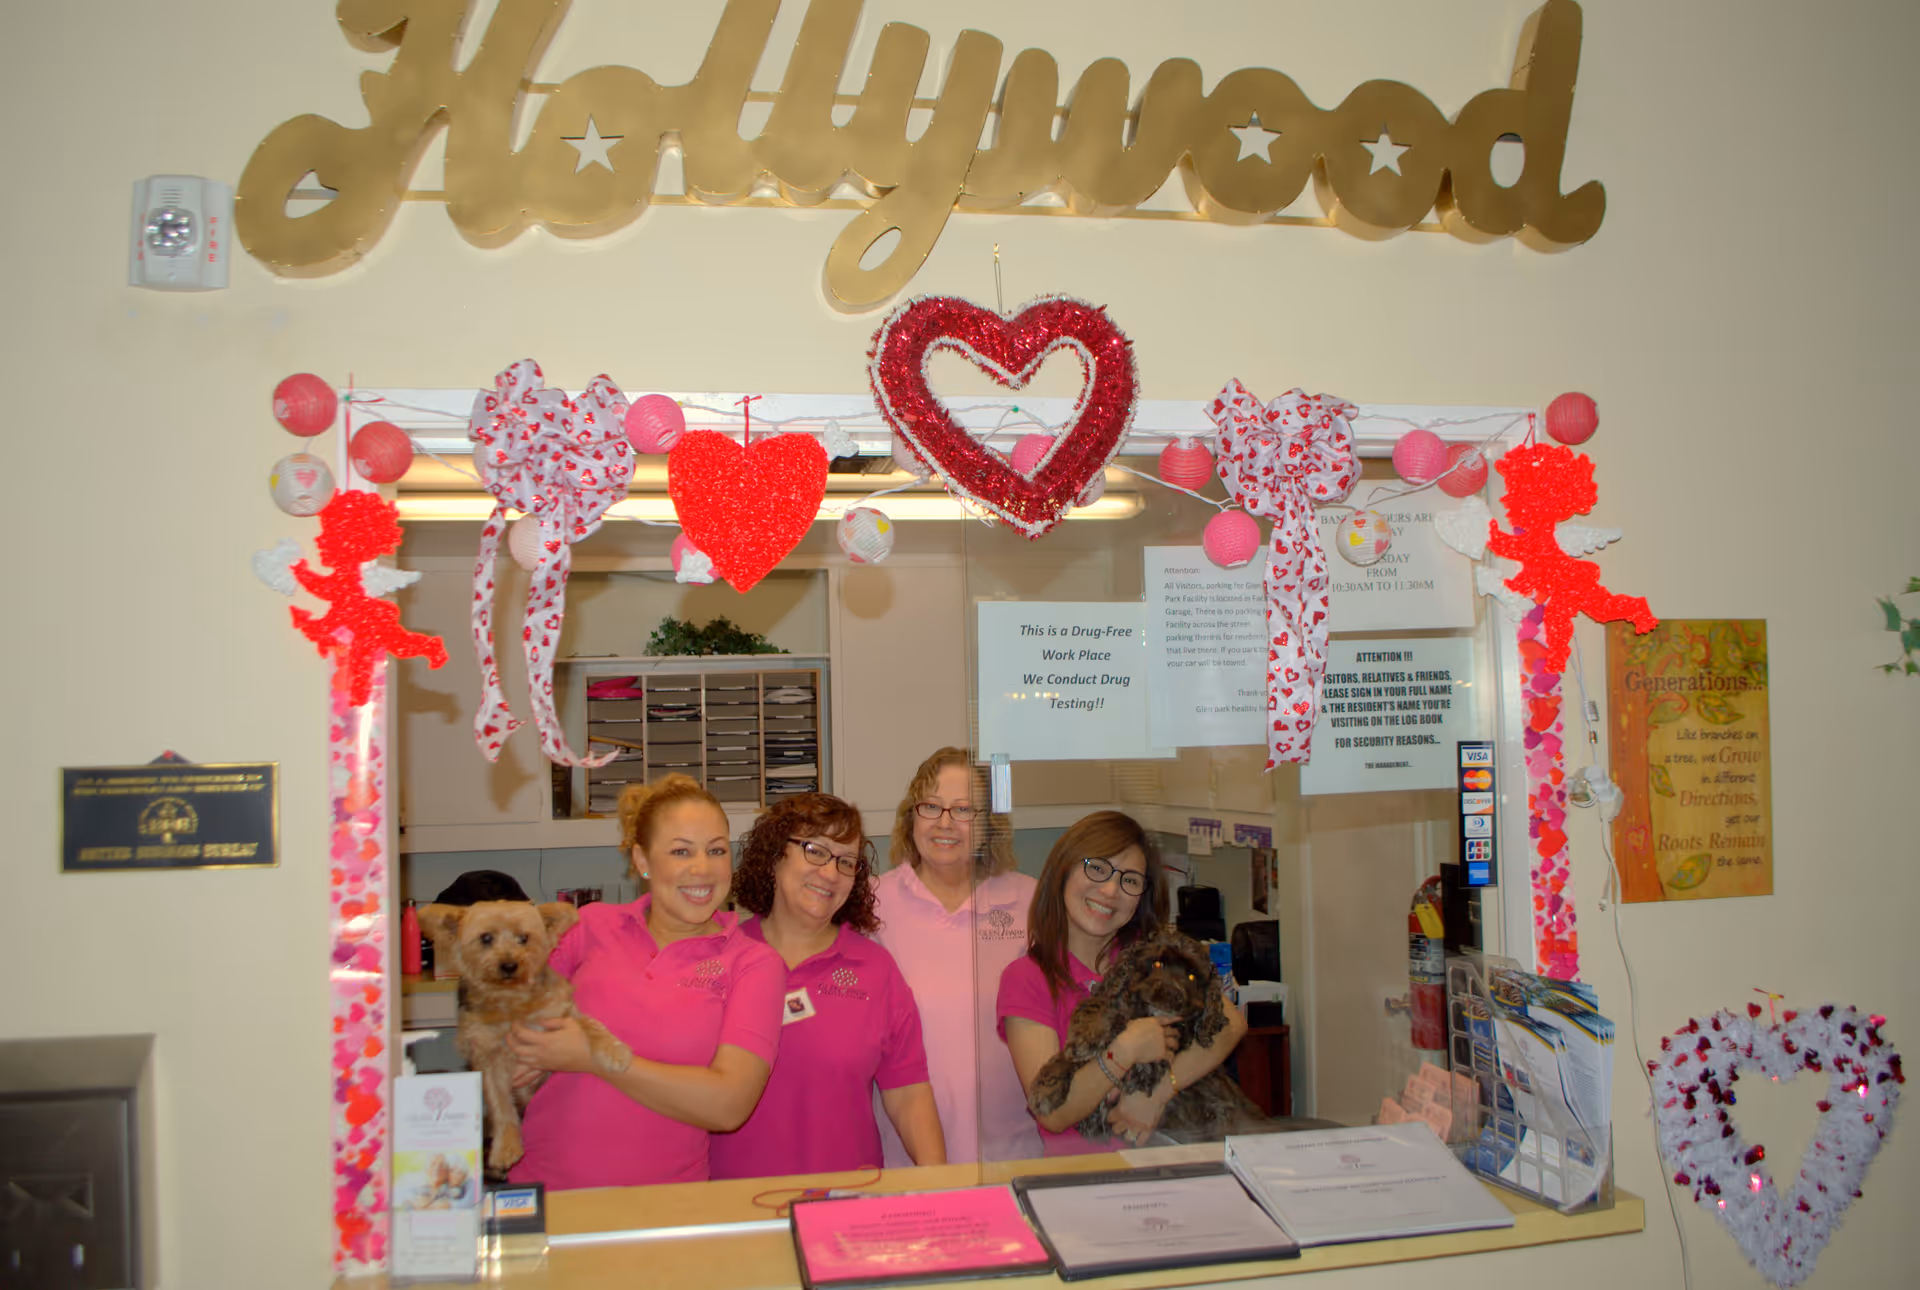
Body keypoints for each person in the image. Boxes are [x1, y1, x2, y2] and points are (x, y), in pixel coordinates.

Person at [506, 774, 784, 1189]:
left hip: (666, 1209)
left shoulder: (752, 963)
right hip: (544, 1195)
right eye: (680, 851)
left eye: (716, 850)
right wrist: (516, 1040)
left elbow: (728, 1105)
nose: (702, 869)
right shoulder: (588, 927)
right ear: (642, 861)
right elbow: (512, 1032)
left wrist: (595, 1056)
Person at [710, 793, 945, 1179]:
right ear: (774, 855)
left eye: (846, 861)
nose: (831, 873)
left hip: (847, 1205)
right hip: (732, 1204)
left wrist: (941, 1185)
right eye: (815, 851)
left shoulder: (875, 969)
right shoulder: (722, 957)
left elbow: (908, 1094)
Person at [997, 811, 1248, 1154]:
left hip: (1173, 1167)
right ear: (1064, 870)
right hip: (1083, 1182)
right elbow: (1053, 1114)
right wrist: (1125, 1050)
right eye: (1097, 868)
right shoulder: (1027, 978)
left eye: (1130, 880)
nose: (1111, 889)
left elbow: (1231, 1023)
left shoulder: (1152, 958)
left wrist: (1154, 1095)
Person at [869, 748, 1040, 1165]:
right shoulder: (872, 904)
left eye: (964, 810)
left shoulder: (1030, 900)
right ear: (912, 816)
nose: (945, 823)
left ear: (988, 825)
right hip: (906, 1152)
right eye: (931, 806)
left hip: (1012, 1151)